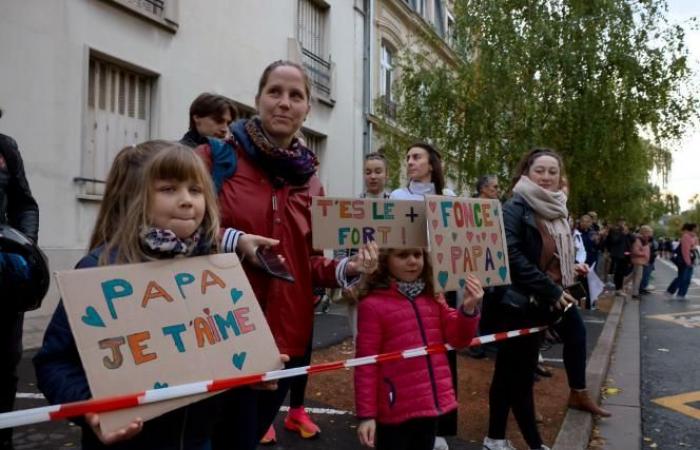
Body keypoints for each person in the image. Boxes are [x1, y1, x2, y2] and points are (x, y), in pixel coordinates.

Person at [196, 60, 378, 447]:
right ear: (258, 100)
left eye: (296, 96)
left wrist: (349, 266)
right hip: (218, 332)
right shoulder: (212, 160)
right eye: (275, 92)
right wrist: (233, 241)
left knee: (243, 440)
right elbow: (176, 229)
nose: (284, 102)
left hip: (286, 343)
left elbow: (308, 263)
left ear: (307, 109)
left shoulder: (312, 182)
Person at [33, 144, 241, 449]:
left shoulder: (212, 269)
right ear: (136, 198)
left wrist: (258, 367)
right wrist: (90, 407)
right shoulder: (99, 269)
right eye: (169, 189)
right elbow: (54, 363)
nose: (186, 201)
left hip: (198, 440)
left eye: (196, 190)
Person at [483, 148, 608, 450]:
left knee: (574, 335)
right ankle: (518, 442)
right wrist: (552, 288)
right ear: (527, 172)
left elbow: (553, 250)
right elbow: (511, 256)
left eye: (553, 171)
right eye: (540, 170)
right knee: (516, 375)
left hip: (551, 295)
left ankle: (576, 393)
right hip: (522, 302)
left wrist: (567, 268)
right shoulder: (515, 207)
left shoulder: (558, 207)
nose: (547, 176)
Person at [354, 248, 483, 450]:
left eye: (417, 255)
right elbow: (366, 364)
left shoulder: (434, 296)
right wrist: (367, 415)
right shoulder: (372, 305)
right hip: (394, 409)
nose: (413, 261)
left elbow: (458, 339)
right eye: (403, 256)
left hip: (429, 406)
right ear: (385, 260)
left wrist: (468, 309)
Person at [390, 143, 456, 450]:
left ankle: (439, 426)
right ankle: (402, 418)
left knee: (442, 357)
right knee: (409, 355)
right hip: (406, 287)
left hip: (441, 286)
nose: (410, 162)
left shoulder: (450, 199)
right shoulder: (397, 198)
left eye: (416, 157)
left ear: (431, 164)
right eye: (407, 158)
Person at [0, 108, 40, 450]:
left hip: (3, 281)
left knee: (5, 367)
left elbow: (25, 204)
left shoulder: (5, 148)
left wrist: (23, 253)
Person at [666, 223, 698, 300]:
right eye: (696, 228)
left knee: (687, 279)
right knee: (682, 278)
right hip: (685, 261)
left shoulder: (691, 236)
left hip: (690, 260)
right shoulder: (686, 236)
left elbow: (693, 247)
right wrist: (688, 262)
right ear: (692, 228)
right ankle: (670, 291)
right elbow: (685, 251)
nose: (697, 229)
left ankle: (681, 294)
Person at [629, 226, 652, 299]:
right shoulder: (639, 240)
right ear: (644, 232)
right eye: (648, 233)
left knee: (633, 276)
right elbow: (635, 250)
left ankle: (620, 286)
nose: (650, 235)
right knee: (638, 277)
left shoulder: (643, 240)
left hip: (640, 260)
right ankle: (635, 293)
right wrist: (644, 253)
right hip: (638, 260)